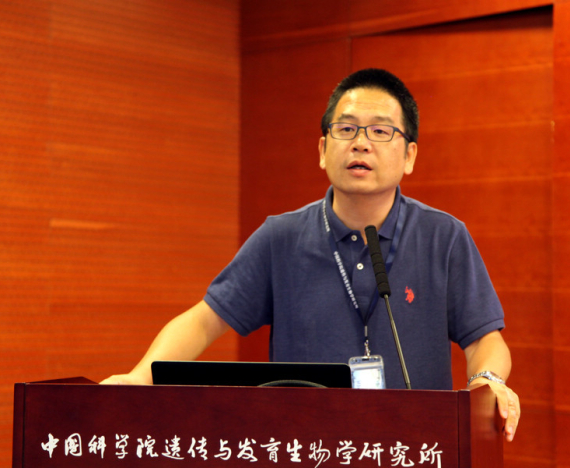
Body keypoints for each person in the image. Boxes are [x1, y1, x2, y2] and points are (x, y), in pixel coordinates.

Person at [102, 68, 521, 442]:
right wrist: (140, 377)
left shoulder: (443, 236)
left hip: (413, 446)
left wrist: (487, 380)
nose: (361, 143)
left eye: (380, 131)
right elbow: (203, 320)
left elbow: (485, 339)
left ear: (409, 155)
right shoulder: (280, 237)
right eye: (346, 129)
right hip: (305, 446)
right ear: (322, 150)